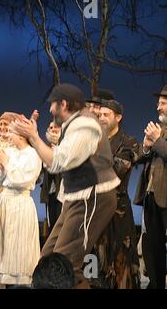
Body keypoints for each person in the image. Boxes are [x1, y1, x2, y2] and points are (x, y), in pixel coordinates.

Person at [12, 83, 120, 288]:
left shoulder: (85, 126)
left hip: (93, 196)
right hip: (76, 198)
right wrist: (35, 136)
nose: (50, 110)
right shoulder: (74, 125)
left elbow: (58, 162)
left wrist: (34, 138)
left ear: (64, 104)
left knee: (66, 265)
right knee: (48, 259)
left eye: (53, 105)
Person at [0, 111, 42, 287]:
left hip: (19, 204)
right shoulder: (9, 151)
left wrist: (7, 165)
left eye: (12, 131)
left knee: (18, 249)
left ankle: (19, 284)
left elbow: (22, 180)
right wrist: (3, 166)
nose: (8, 134)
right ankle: (7, 282)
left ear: (22, 135)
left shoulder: (32, 154)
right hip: (5, 202)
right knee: (4, 249)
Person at [92, 99, 140, 289]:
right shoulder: (93, 140)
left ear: (118, 117)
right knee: (93, 263)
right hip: (94, 210)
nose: (101, 118)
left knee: (120, 265)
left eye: (106, 115)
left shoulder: (129, 142)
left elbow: (114, 171)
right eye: (100, 115)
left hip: (117, 212)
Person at [133, 85, 167, 289]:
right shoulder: (159, 130)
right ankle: (155, 285)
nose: (158, 107)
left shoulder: (159, 134)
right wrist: (146, 147)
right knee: (151, 246)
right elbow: (139, 159)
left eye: (163, 103)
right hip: (152, 195)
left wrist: (158, 141)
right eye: (158, 103)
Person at [40, 121, 62, 239]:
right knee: (52, 225)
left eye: (56, 127)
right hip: (50, 193)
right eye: (51, 127)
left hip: (64, 194)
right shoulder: (45, 148)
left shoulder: (66, 146)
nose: (53, 129)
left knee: (62, 227)